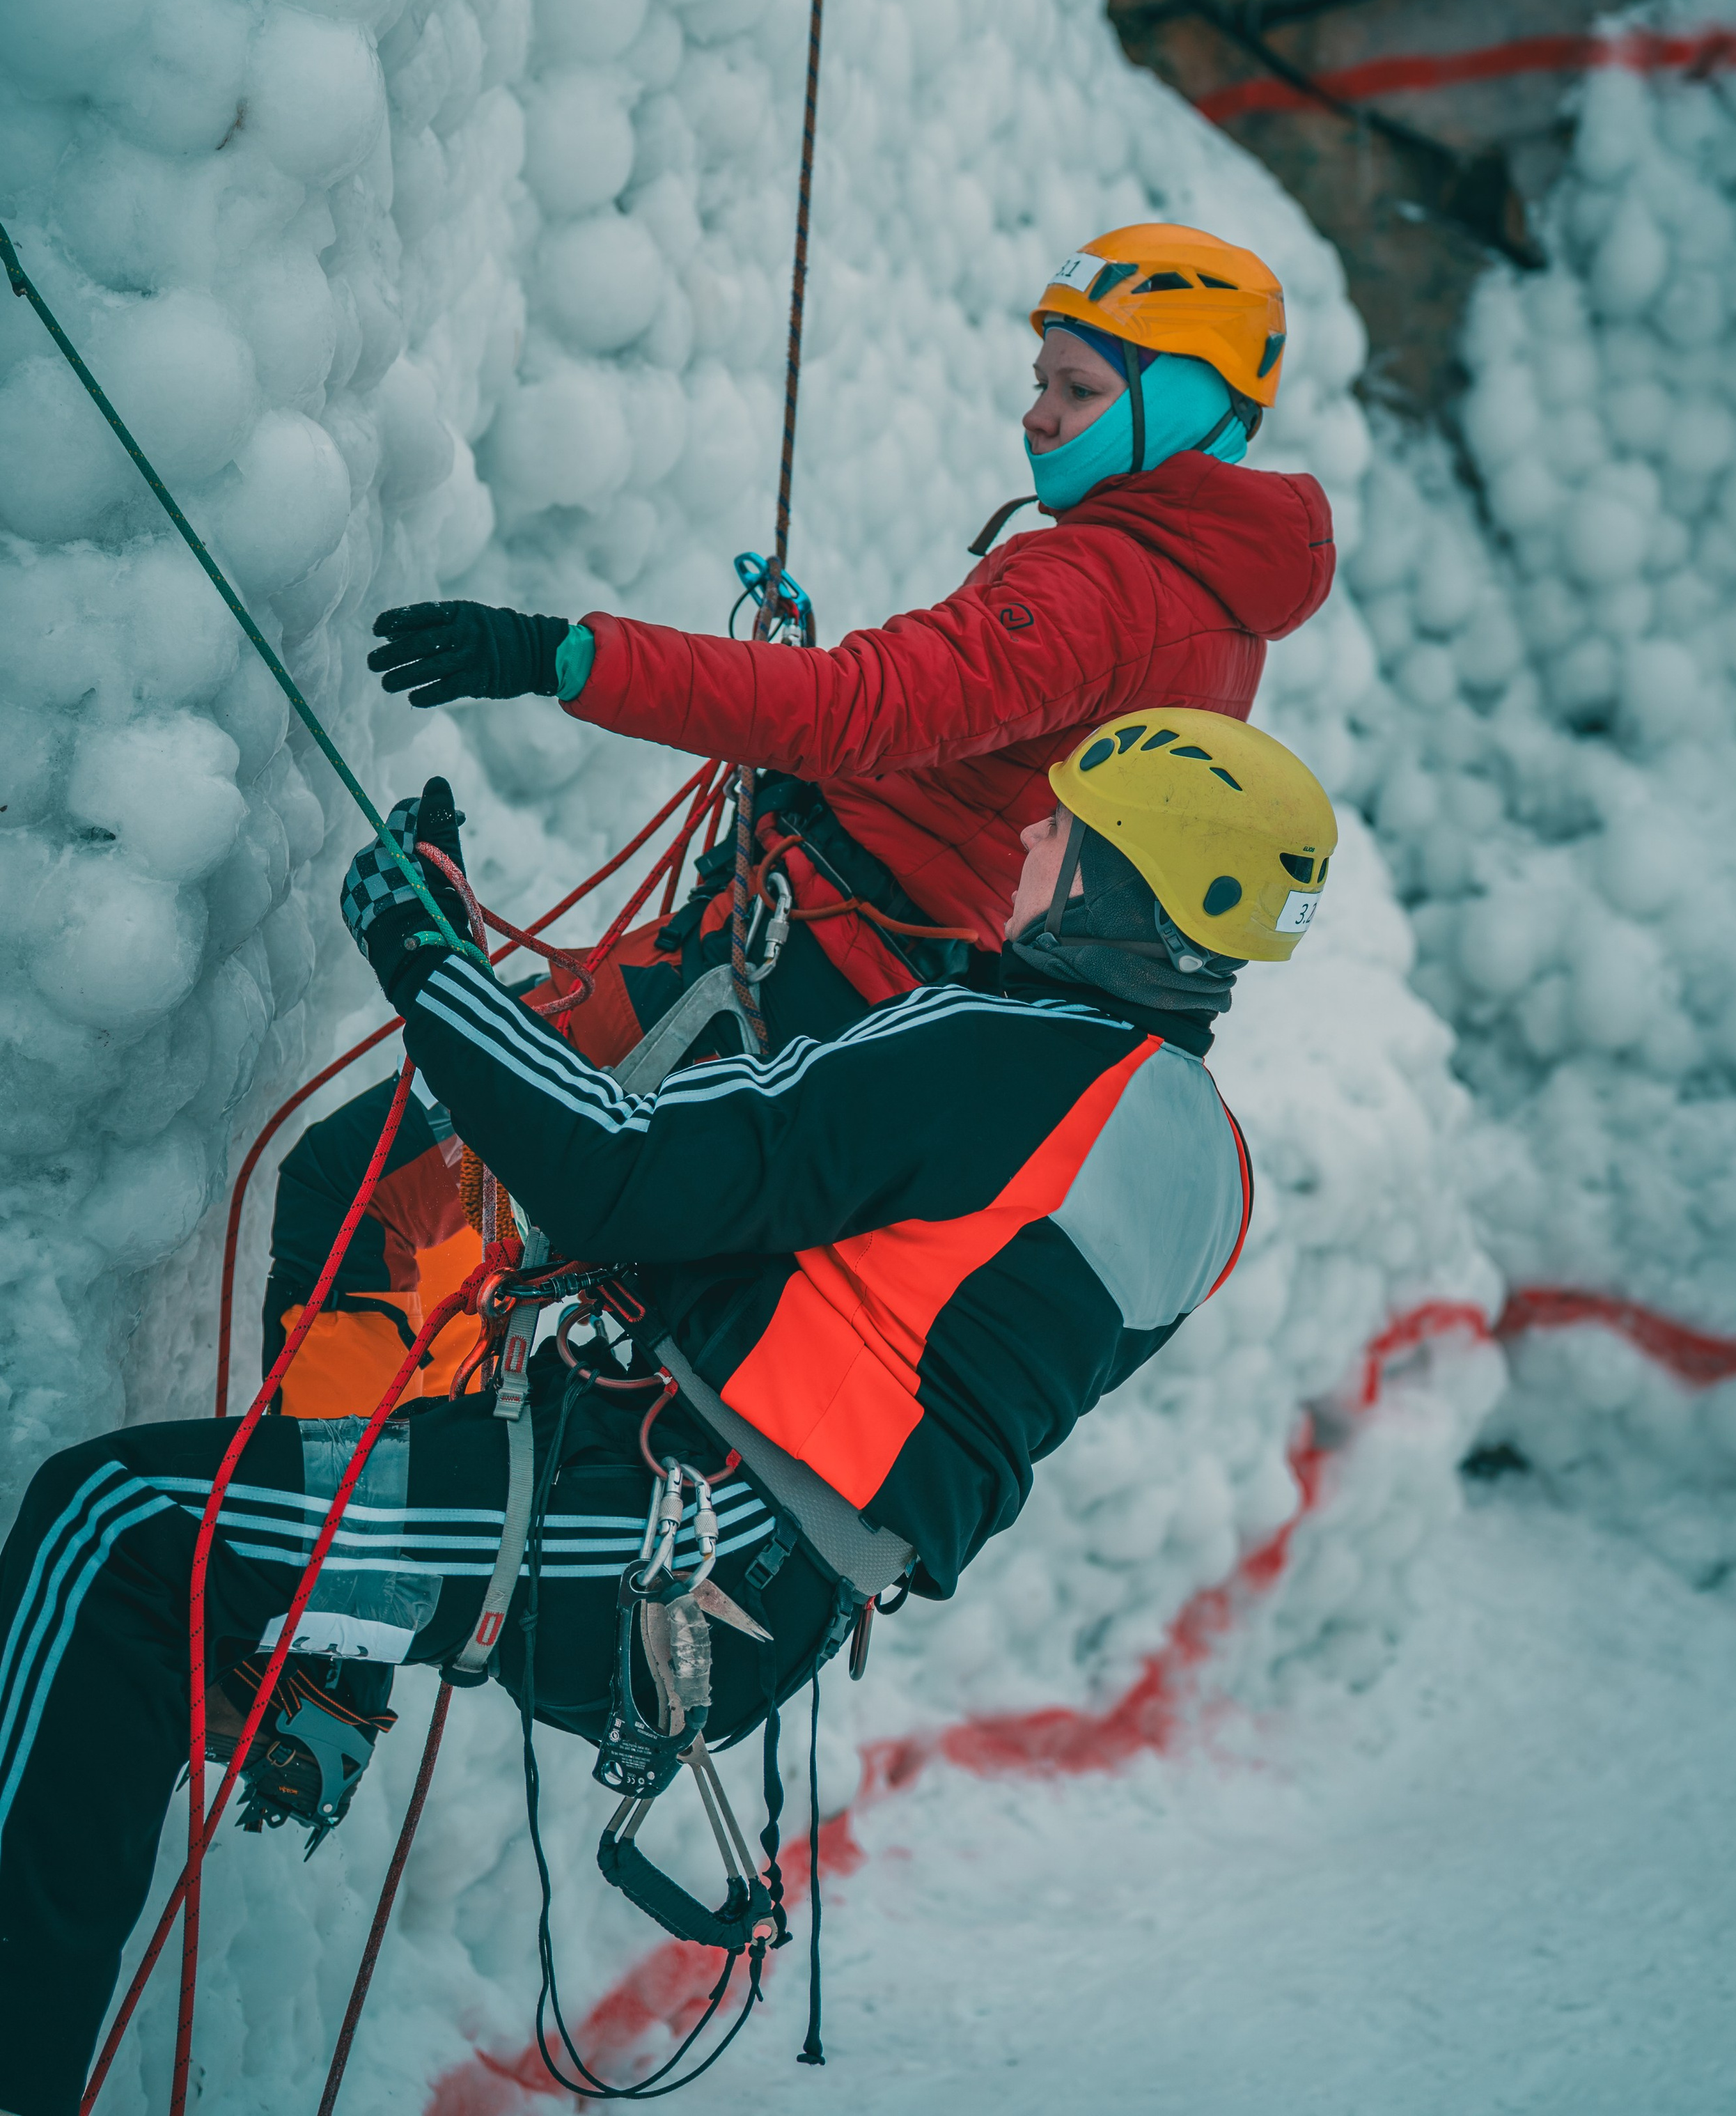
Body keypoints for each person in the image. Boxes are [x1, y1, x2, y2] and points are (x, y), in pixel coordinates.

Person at [0, 709, 1336, 2116]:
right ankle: (295, 1670)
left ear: (1115, 883)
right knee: (164, 1552)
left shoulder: (1008, 1062)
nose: (1024, 840)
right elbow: (885, 1305)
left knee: (118, 1530)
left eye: (1059, 831)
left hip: (655, 1538)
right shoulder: (1201, 1166)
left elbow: (620, 1166)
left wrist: (425, 958)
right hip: (716, 1574)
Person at [265, 226, 1336, 1414]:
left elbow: (863, 710)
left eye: (1078, 390)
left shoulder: (1102, 588)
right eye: (1041, 383)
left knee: (360, 1199)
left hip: (790, 973)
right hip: (848, 991)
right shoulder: (1211, 606)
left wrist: (560, 654)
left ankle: (304, 1522)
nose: (1036, 417)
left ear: (1182, 407)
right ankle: (404, 1492)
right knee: (516, 1263)